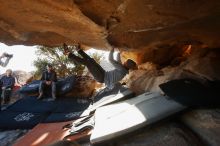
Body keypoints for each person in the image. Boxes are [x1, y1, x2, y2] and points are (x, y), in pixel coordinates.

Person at [63, 43, 137, 89]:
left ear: (126, 64)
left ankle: (69, 54)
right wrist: (119, 52)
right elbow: (118, 61)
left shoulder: (121, 69)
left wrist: (112, 50)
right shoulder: (124, 70)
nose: (124, 61)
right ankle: (79, 50)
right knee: (91, 61)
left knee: (88, 63)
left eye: (126, 61)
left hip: (101, 77)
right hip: (103, 74)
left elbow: (111, 59)